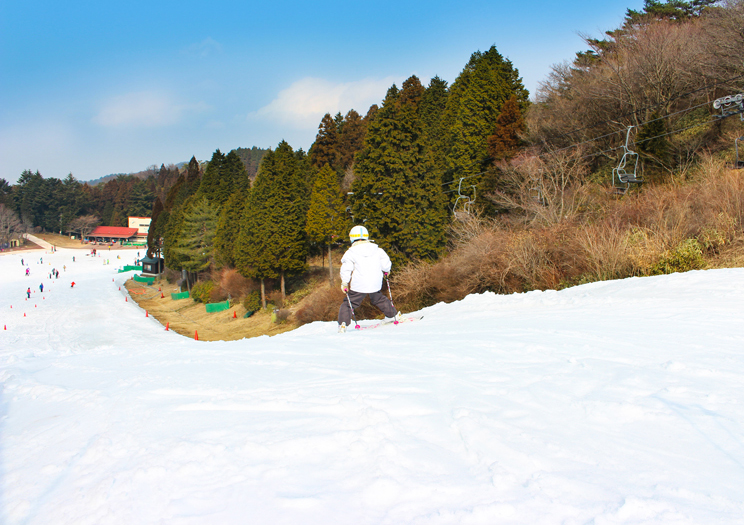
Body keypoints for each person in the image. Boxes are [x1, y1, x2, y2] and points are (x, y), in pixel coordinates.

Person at [337, 225, 400, 333]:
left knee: (349, 303)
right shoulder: (377, 250)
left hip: (359, 284)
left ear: (352, 237)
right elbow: (385, 263)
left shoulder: (351, 252)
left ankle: (343, 324)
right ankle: (392, 315)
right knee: (378, 298)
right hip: (375, 282)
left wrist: (344, 282)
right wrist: (386, 271)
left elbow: (346, 269)